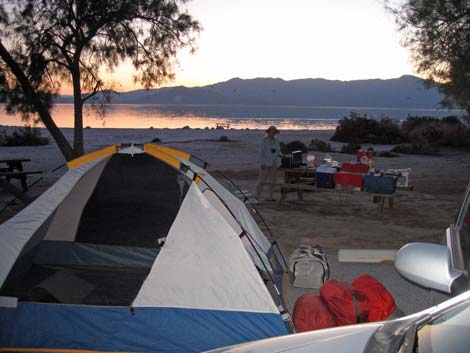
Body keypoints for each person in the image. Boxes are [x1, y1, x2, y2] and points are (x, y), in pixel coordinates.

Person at [253, 125, 281, 201]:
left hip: (274, 163)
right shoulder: (264, 141)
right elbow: (261, 153)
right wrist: (262, 163)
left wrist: (281, 157)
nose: (272, 133)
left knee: (272, 181)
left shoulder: (276, 141)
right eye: (271, 132)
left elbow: (278, 151)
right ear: (268, 132)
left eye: (274, 132)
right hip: (265, 163)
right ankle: (256, 196)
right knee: (262, 180)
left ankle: (269, 196)